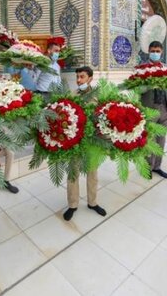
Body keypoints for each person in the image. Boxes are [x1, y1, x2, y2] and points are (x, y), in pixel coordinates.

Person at [63, 66, 107, 221]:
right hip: (75, 141)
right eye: (77, 77)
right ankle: (72, 204)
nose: (78, 80)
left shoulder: (99, 96)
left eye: (82, 77)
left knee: (92, 172)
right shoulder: (72, 95)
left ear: (90, 78)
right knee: (73, 172)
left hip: (91, 141)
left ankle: (92, 202)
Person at [139, 41, 167, 179]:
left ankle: (157, 166)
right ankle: (147, 167)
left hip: (165, 107)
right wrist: (151, 83)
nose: (155, 53)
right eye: (153, 50)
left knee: (161, 139)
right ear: (148, 51)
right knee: (150, 139)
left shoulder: (166, 68)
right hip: (150, 108)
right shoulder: (141, 69)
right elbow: (138, 89)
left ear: (162, 52)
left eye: (158, 51)